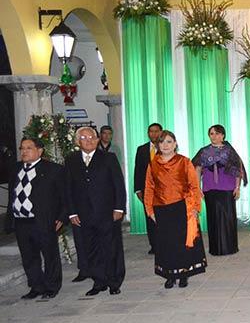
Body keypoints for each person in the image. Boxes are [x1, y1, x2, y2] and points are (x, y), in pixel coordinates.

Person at [65, 127, 126, 296]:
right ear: (78, 142)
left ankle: (114, 281)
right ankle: (99, 281)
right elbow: (68, 188)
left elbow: (118, 185)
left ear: (98, 140)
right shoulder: (71, 160)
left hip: (107, 212)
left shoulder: (108, 158)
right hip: (83, 215)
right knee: (90, 249)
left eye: (92, 137)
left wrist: (119, 207)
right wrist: (71, 212)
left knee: (111, 248)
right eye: (84, 137)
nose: (89, 140)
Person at [145, 130, 207, 288]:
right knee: (166, 243)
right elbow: (149, 188)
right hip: (161, 208)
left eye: (169, 141)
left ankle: (184, 274)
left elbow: (194, 185)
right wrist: (150, 210)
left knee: (182, 242)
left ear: (175, 144)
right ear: (158, 145)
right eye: (162, 142)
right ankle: (169, 275)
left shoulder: (184, 162)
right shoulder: (153, 164)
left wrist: (195, 207)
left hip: (182, 207)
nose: (165, 145)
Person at [7, 138, 65, 299]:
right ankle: (36, 286)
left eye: (28, 148)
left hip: (43, 220)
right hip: (21, 221)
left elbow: (65, 195)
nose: (24, 151)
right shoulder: (16, 169)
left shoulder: (54, 170)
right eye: (22, 148)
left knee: (49, 254)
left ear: (39, 151)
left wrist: (62, 217)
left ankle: (52, 287)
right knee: (28, 256)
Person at [192, 124, 247, 256]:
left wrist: (237, 187)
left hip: (227, 188)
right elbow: (197, 169)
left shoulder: (229, 151)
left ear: (223, 135)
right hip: (210, 188)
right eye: (211, 133)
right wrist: (197, 188)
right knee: (213, 218)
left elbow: (238, 170)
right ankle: (215, 248)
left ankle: (230, 247)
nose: (214, 136)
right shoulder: (203, 151)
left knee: (228, 217)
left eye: (217, 133)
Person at [134, 123, 162, 255]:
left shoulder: (166, 147)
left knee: (163, 217)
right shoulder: (141, 149)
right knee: (150, 217)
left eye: (156, 131)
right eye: (151, 131)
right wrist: (138, 189)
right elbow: (138, 170)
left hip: (164, 190)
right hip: (147, 189)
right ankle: (154, 245)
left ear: (161, 132)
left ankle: (165, 243)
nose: (154, 134)